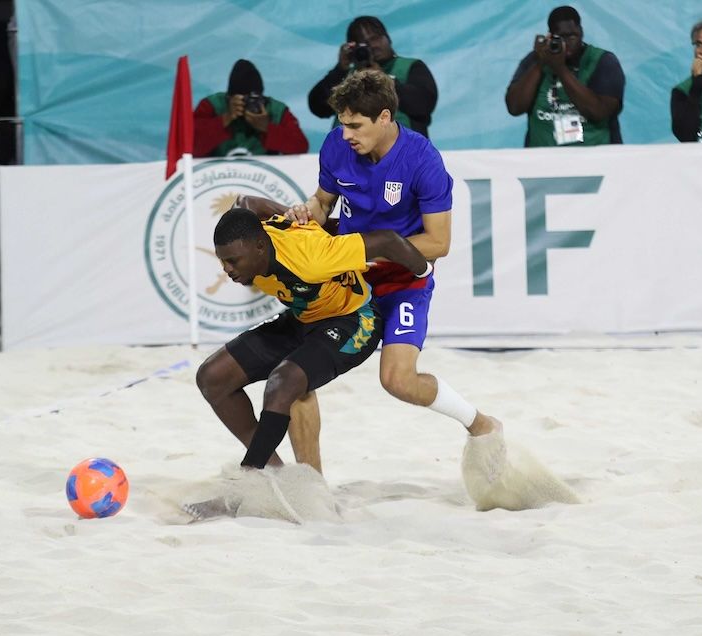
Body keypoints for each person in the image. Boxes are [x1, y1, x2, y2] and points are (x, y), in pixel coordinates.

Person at [284, 69, 498, 474]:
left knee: (398, 381)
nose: (346, 134)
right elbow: (323, 202)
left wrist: (366, 251)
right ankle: (311, 485)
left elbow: (439, 242)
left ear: (384, 117)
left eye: (355, 125)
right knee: (294, 376)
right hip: (349, 280)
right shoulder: (336, 145)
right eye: (342, 124)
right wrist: (306, 211)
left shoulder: (423, 159)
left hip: (403, 282)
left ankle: (479, 423)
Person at [195, 205, 433, 470]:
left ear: (260, 246)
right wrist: (294, 212)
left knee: (283, 382)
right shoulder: (255, 243)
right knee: (212, 377)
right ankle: (271, 472)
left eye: (233, 261)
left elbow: (388, 240)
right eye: (223, 260)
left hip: (353, 319)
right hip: (303, 316)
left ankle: (251, 472)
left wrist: (424, 271)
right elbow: (246, 202)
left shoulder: (312, 258)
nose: (227, 270)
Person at [505, 5, 625, 146]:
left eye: (572, 36)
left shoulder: (603, 62)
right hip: (542, 157)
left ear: (581, 32)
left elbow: (599, 112)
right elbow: (514, 107)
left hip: (596, 156)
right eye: (561, 37)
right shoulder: (535, 60)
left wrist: (561, 69)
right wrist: (540, 64)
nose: (568, 43)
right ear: (550, 36)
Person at [308, 15, 437, 137]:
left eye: (375, 38)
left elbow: (424, 104)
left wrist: (384, 79)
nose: (373, 46)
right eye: (365, 44)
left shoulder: (410, 67)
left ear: (388, 38)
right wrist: (339, 70)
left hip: (402, 150)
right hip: (348, 150)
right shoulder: (347, 76)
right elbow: (317, 107)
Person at [193, 59, 309, 157]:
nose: (246, 104)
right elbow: (190, 147)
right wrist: (225, 119)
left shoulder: (276, 111)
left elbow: (301, 147)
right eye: (241, 99)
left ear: (262, 97)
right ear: (228, 97)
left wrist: (267, 128)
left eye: (253, 99)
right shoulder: (212, 106)